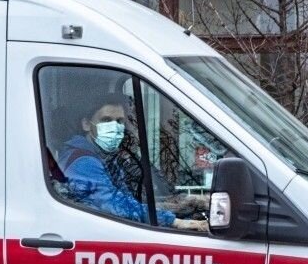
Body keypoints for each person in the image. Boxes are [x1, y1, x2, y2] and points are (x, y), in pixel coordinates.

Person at [57, 93, 208, 232]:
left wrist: (186, 203)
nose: (114, 127)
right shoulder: (83, 162)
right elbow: (117, 207)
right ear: (86, 124)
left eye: (119, 121)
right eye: (106, 120)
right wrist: (176, 222)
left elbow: (129, 201)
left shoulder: (106, 157)